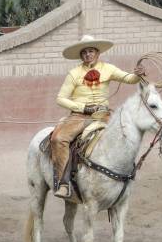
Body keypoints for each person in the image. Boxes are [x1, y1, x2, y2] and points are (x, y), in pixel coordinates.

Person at [51, 35, 145, 199]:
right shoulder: (74, 73)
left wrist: (137, 74)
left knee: (127, 134)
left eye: (91, 51)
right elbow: (60, 98)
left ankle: (125, 173)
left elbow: (128, 78)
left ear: (97, 53)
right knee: (58, 139)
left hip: (104, 115)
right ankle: (63, 182)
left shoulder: (108, 68)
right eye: (85, 52)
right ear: (81, 56)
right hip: (80, 116)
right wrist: (83, 107)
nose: (88, 54)